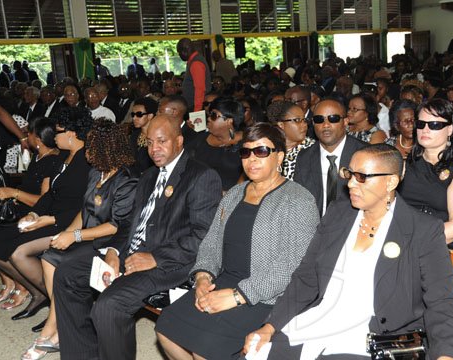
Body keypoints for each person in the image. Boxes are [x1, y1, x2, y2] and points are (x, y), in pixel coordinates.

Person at [244, 144, 453, 360]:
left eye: (361, 177)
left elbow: (442, 299)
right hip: (319, 322)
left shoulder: (421, 230)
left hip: (374, 336)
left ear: (390, 181)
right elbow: (306, 278)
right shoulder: (338, 214)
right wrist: (270, 326)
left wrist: (448, 353)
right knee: (256, 351)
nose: (351, 183)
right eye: (349, 174)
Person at [53, 115, 222, 360]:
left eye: (162, 141)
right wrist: (114, 253)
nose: (154, 149)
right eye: (150, 142)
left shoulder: (201, 176)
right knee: (66, 273)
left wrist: (154, 257)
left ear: (179, 140)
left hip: (169, 263)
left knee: (108, 307)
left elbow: (203, 237)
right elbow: (130, 224)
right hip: (131, 253)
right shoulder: (149, 176)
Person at [156, 123, 319, 359]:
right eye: (246, 152)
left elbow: (290, 268)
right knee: (166, 328)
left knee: (206, 348)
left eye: (261, 151)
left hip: (266, 296)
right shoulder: (234, 193)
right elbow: (212, 242)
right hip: (223, 281)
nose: (252, 159)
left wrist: (237, 296)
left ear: (280, 156)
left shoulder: (299, 200)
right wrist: (203, 278)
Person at [21, 119, 138, 360]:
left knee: (64, 266)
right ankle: (62, 324)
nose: (88, 152)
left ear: (107, 148)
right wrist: (66, 235)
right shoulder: (97, 172)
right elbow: (84, 211)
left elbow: (116, 226)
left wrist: (75, 236)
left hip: (109, 243)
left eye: (93, 148)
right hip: (87, 236)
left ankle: (53, 331)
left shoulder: (126, 181)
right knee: (49, 256)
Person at [0, 107, 92, 321]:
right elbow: (50, 195)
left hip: (70, 223)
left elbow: (85, 205)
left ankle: (57, 301)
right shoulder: (64, 157)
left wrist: (48, 220)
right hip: (48, 216)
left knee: (18, 253)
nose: (54, 136)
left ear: (72, 133)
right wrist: (33, 214)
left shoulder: (87, 161)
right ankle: (39, 292)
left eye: (58, 131)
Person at [0, 117, 61, 302]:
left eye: (29, 133)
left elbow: (44, 202)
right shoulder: (38, 157)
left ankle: (24, 286)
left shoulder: (53, 161)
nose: (26, 136)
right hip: (21, 210)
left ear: (39, 139)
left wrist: (14, 193)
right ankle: (10, 281)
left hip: (37, 214)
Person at [399, 98, 453, 253]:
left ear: (450, 129)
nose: (425, 130)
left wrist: (407, 243)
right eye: (420, 124)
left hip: (449, 249)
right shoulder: (408, 163)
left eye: (435, 125)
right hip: (406, 241)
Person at [294, 99, 366, 216]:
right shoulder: (304, 158)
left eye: (333, 118)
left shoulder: (365, 155)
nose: (325, 125)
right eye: (319, 119)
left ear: (345, 121)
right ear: (313, 123)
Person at [186, 97, 243, 192]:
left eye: (213, 115)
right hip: (199, 193)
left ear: (229, 121)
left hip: (229, 199)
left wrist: (231, 196)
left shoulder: (247, 143)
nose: (208, 118)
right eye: (209, 114)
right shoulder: (201, 139)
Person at [267, 100, 315, 180]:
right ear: (281, 125)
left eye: (305, 120)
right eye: (297, 120)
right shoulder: (267, 148)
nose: (304, 125)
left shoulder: (312, 149)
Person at [177, 38, 211, 112]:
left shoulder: (196, 63)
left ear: (184, 51)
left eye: (179, 53)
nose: (179, 55)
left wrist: (197, 111)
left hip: (196, 107)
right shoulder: (193, 61)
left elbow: (200, 89)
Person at [130, 97, 158, 173]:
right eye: (133, 114)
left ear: (150, 116)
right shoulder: (134, 135)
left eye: (139, 114)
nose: (134, 118)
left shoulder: (157, 137)